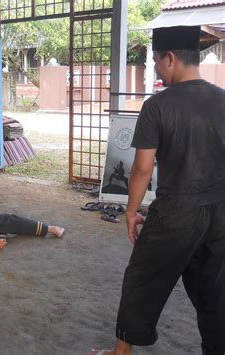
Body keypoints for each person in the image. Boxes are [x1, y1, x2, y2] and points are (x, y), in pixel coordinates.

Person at [91, 26, 225, 355]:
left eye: (155, 61)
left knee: (142, 280)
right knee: (216, 291)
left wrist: (132, 211)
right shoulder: (223, 99)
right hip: (222, 211)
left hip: (177, 212)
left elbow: (142, 168)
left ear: (170, 58)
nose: (155, 69)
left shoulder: (158, 105)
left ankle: (121, 353)